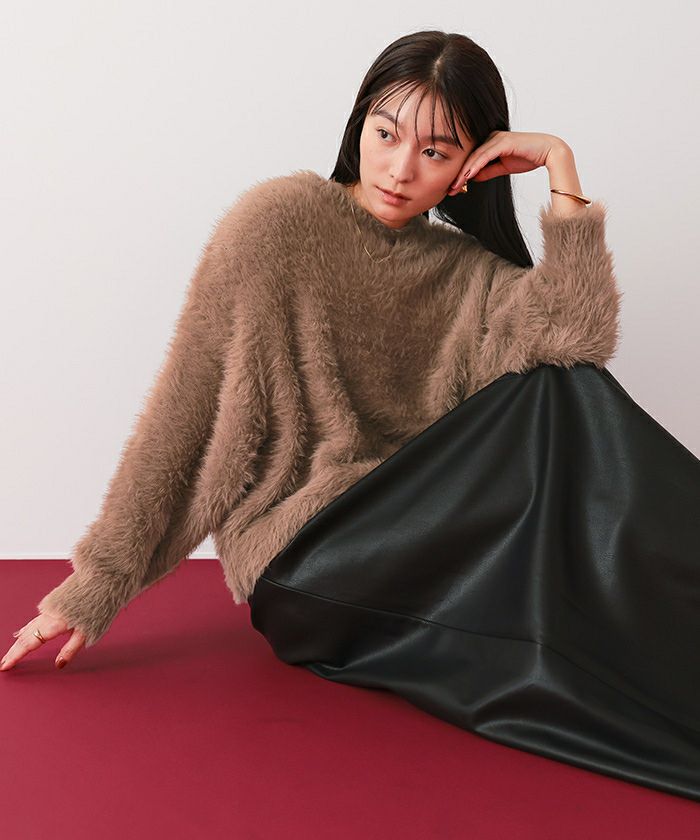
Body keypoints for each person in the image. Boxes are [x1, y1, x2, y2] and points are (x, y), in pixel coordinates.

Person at [4, 30, 697, 801]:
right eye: (386, 134)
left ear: (471, 168)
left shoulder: (470, 275)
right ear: (359, 123)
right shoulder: (277, 223)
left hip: (422, 552)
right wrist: (96, 586)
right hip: (308, 556)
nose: (401, 169)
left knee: (559, 389)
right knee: (550, 422)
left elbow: (576, 338)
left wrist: (560, 164)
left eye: (435, 151)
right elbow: (186, 409)